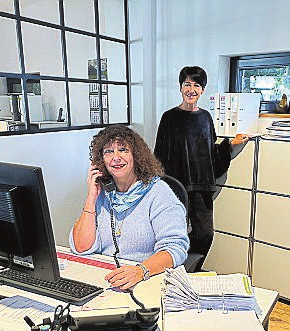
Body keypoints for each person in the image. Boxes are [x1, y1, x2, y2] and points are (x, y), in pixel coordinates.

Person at [70, 125, 189, 290]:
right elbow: (82, 247)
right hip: (105, 279)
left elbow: (175, 248)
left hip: (145, 279)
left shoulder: (159, 193)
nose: (116, 157)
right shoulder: (102, 194)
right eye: (108, 152)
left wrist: (140, 271)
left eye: (123, 150)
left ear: (136, 155)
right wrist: (91, 198)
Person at [154, 66, 249, 271]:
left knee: (205, 234)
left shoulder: (205, 117)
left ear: (203, 90)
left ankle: (189, 271)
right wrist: (156, 185)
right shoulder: (169, 117)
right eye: (187, 84)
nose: (191, 89)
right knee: (173, 235)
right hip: (175, 187)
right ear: (180, 88)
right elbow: (159, 154)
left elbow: (210, 151)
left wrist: (230, 144)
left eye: (196, 85)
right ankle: (171, 274)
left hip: (201, 185)